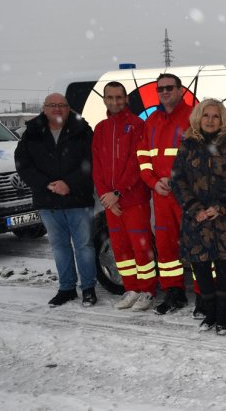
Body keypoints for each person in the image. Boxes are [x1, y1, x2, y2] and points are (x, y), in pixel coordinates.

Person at [170, 99, 226, 335]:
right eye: (206, 115)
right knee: (201, 268)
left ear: (223, 119)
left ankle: (222, 317)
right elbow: (177, 179)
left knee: (224, 269)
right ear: (198, 118)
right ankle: (210, 313)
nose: (210, 120)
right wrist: (194, 208)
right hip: (196, 219)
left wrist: (220, 206)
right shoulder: (187, 145)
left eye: (216, 116)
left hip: (225, 219)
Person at [14, 93, 97, 307]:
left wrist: (69, 184)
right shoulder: (32, 132)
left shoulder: (82, 130)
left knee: (84, 246)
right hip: (47, 199)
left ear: (68, 108)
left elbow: (92, 161)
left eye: (61, 105)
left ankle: (88, 288)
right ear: (44, 108)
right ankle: (67, 288)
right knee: (59, 247)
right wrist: (47, 184)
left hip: (78, 198)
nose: (57, 108)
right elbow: (23, 164)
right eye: (52, 105)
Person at [136, 73, 202, 315]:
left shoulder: (194, 117)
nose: (164, 92)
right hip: (161, 195)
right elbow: (143, 157)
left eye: (169, 88)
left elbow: (201, 157)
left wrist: (177, 180)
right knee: (166, 249)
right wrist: (153, 182)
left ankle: (204, 295)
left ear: (180, 90)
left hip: (189, 195)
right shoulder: (151, 121)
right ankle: (174, 292)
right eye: (160, 88)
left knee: (197, 245)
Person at [92, 82, 156, 311]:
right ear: (104, 99)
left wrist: (118, 192)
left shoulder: (137, 125)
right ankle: (131, 289)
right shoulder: (101, 128)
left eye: (119, 97)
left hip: (133, 198)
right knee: (121, 248)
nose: (114, 102)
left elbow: (137, 164)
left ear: (126, 98)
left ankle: (147, 291)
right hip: (111, 202)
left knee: (141, 247)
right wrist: (105, 196)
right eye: (110, 97)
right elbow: (97, 166)